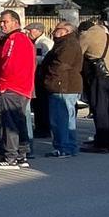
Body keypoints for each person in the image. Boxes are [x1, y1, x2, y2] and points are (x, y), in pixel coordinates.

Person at [0, 10, 36, 168]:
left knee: (10, 123)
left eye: (5, 21)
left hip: (12, 87)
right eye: (1, 21)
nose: (2, 24)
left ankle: (10, 157)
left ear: (15, 22)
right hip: (19, 87)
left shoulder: (15, 39)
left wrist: (1, 84)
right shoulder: (18, 39)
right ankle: (21, 155)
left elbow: (9, 64)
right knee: (19, 121)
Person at [41, 22, 83, 157]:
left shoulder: (68, 44)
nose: (53, 31)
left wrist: (48, 73)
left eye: (57, 29)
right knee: (67, 118)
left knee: (60, 119)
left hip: (63, 85)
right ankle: (69, 146)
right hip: (65, 84)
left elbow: (61, 65)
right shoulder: (64, 43)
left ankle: (63, 147)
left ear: (65, 31)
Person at [79, 21, 109, 153]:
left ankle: (102, 143)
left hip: (99, 76)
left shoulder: (88, 36)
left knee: (100, 109)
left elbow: (78, 53)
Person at [26, 22, 54, 139]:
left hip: (42, 75)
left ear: (38, 30)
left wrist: (33, 58)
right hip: (35, 76)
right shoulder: (33, 42)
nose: (28, 33)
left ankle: (44, 128)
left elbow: (47, 58)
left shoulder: (45, 43)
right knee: (37, 104)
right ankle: (39, 126)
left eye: (30, 30)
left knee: (42, 104)